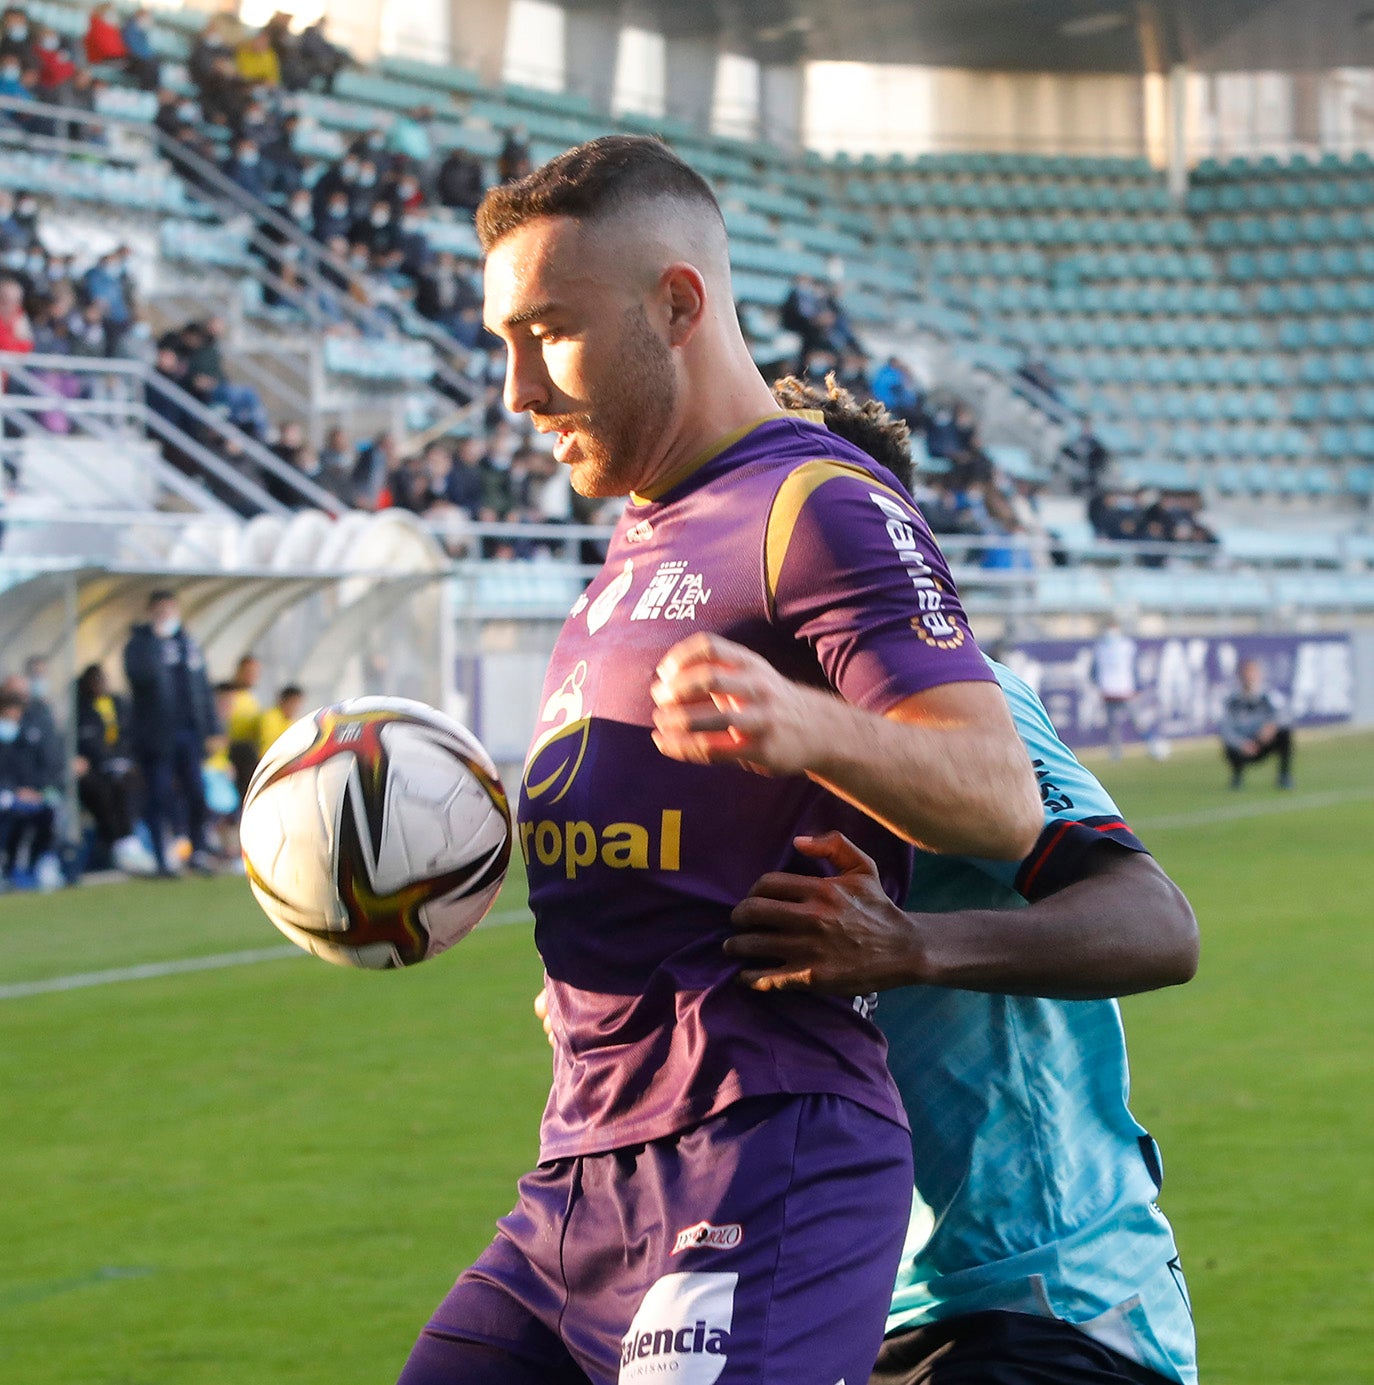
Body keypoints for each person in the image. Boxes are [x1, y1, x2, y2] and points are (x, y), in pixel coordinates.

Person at [396, 135, 1041, 1385]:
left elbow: (1000, 794)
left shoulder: (820, 505)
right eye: (500, 341)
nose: (517, 389)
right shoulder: (633, 548)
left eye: (549, 332)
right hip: (576, 1176)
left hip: (761, 1147)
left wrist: (807, 726)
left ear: (677, 303)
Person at [122, 590, 221, 875]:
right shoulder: (140, 645)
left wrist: (212, 728)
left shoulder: (188, 644)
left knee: (196, 793)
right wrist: (155, 643)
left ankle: (198, 850)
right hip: (156, 736)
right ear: (151, 611)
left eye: (170, 608)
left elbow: (201, 687)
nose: (166, 614)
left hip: (188, 733)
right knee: (159, 795)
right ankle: (161, 858)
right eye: (160, 609)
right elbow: (141, 678)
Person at [73, 663, 156, 874]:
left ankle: (129, 841)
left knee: (129, 784)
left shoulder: (118, 705)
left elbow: (127, 737)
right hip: (97, 770)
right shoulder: (81, 710)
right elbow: (88, 742)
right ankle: (121, 843)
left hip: (119, 766)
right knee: (104, 790)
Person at [0, 685, 60, 888]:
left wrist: (35, 790)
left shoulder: (23, 737)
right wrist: (12, 791)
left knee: (47, 814)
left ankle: (35, 865)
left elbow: (32, 768)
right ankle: (7, 867)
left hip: (26, 793)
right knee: (11, 815)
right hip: (7, 794)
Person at [1220, 657, 1293, 790]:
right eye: (1246, 673)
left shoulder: (1268, 696)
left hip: (1261, 742)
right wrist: (1241, 744)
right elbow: (1225, 729)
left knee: (1285, 733)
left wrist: (1272, 726)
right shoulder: (1232, 700)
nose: (1250, 677)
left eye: (1253, 673)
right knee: (1229, 747)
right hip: (1242, 745)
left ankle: (1284, 775)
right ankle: (1237, 777)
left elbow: (1286, 715)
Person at [1092, 622, 1138, 762]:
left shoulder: (1127, 646)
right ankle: (1116, 751)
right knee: (1112, 724)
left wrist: (1136, 686)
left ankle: (1152, 744)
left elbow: (1133, 667)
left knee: (1136, 719)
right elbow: (1094, 670)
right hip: (1108, 690)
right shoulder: (1100, 647)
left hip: (1124, 689)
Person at [257, 683, 304, 754]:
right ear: (283, 700)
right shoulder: (269, 717)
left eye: (298, 704)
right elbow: (268, 745)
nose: (295, 707)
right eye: (293, 702)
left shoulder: (294, 723)